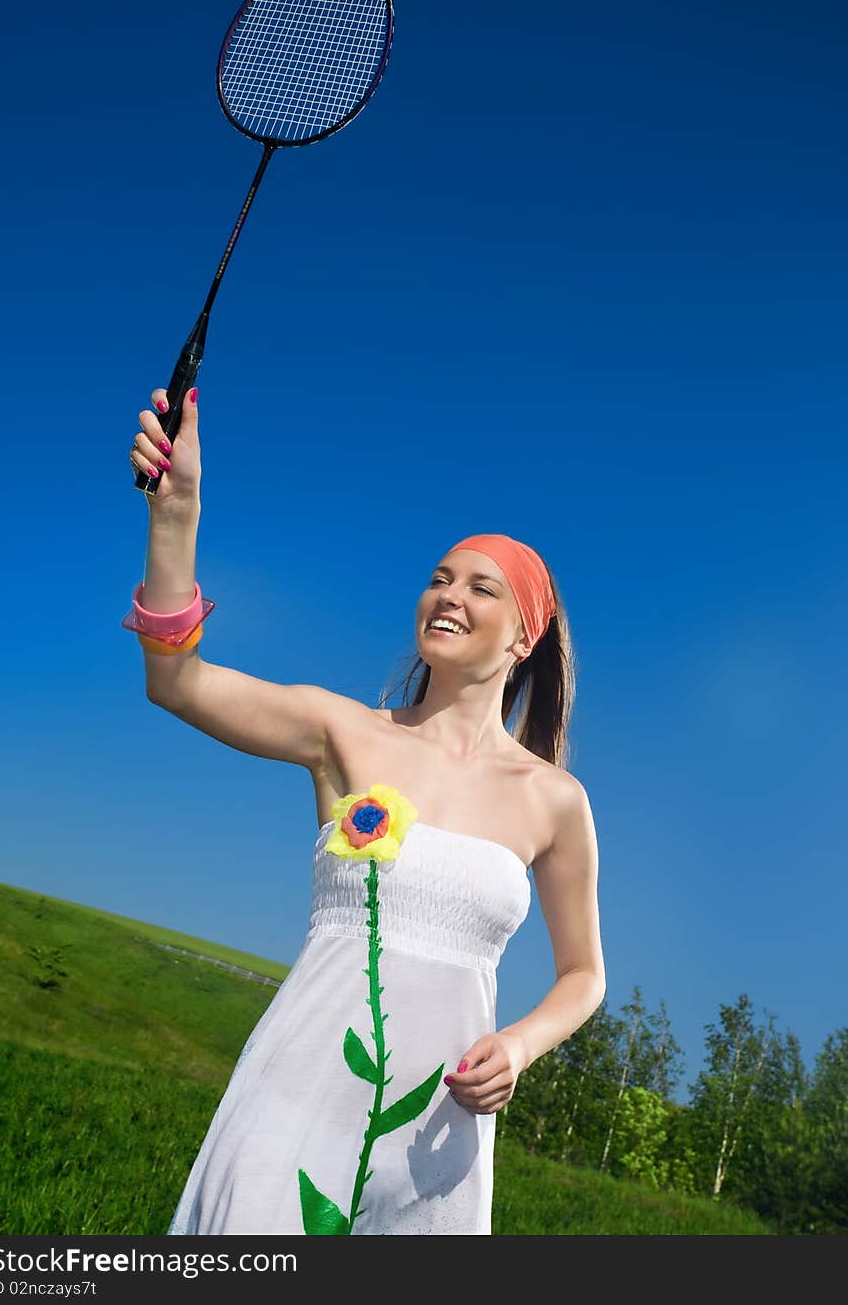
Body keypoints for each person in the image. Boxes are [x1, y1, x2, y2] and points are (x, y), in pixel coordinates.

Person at [124, 385, 607, 1236]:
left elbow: (584, 976)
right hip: (293, 1096)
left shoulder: (554, 801)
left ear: (524, 638)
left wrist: (520, 1047)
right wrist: (178, 514)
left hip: (437, 1134)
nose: (449, 595)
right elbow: (177, 682)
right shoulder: (341, 731)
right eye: (438, 579)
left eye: (482, 588)